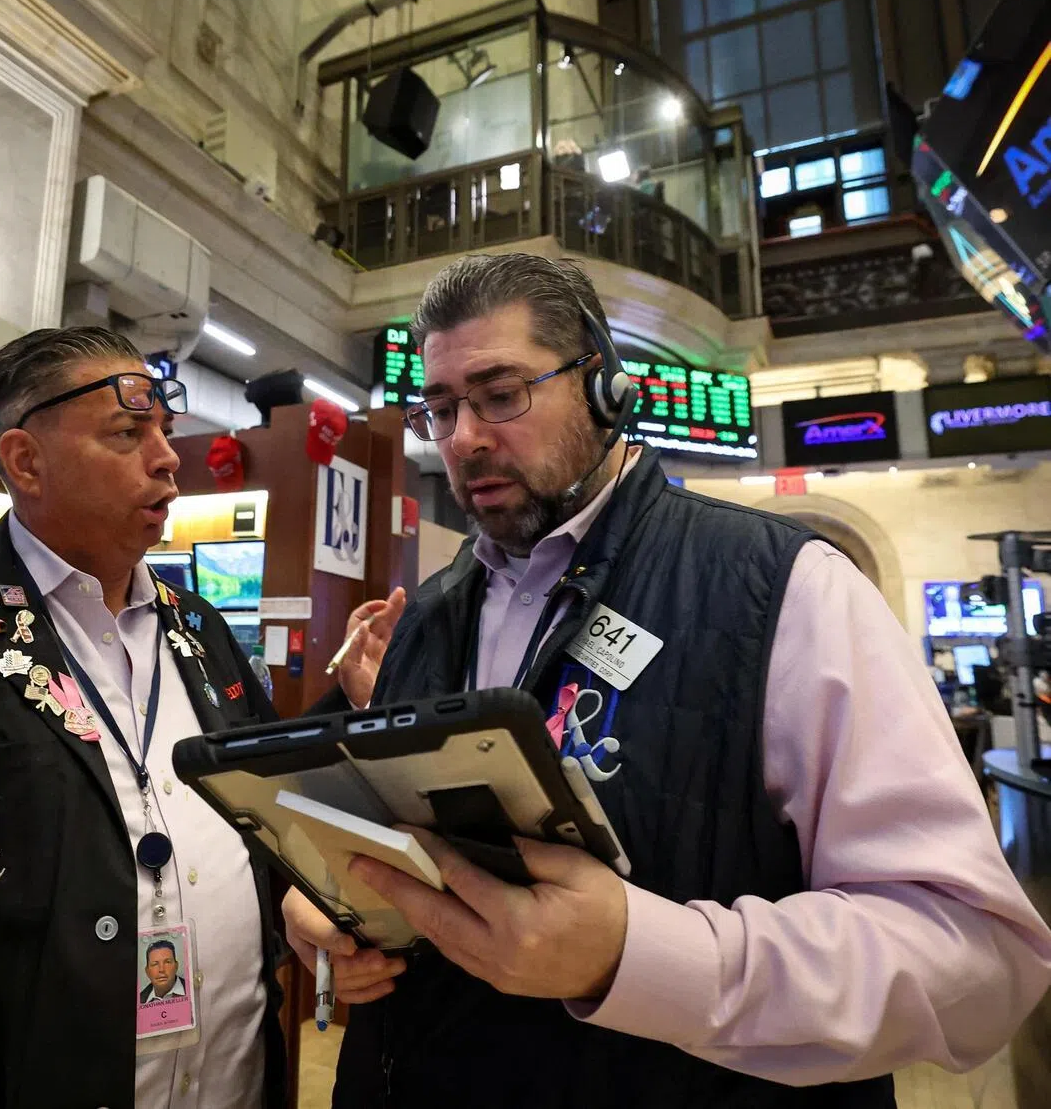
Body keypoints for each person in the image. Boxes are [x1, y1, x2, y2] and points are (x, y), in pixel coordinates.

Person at [283, 253, 1051, 1108]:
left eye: (501, 395)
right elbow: (402, 852)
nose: (464, 436)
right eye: (442, 408)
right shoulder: (427, 613)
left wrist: (639, 955)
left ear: (606, 390)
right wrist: (337, 915)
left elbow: (975, 960)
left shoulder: (785, 588)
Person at [0, 327, 404, 1109]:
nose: (168, 457)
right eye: (127, 432)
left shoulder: (200, 630)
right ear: (26, 460)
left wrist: (295, 905)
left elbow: (262, 814)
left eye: (165, 433)